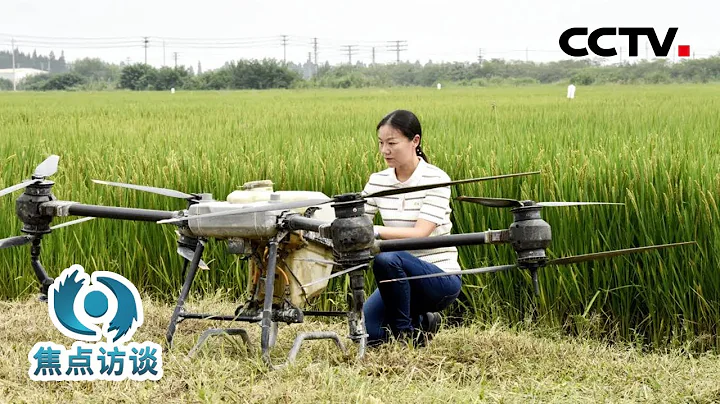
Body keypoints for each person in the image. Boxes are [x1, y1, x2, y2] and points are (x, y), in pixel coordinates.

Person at [362, 109, 462, 346]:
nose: (385, 150)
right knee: (371, 336)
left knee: (387, 258)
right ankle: (422, 324)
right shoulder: (378, 181)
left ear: (415, 141)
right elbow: (358, 222)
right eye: (381, 143)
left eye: (392, 143)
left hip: (438, 277)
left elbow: (420, 233)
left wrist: (374, 231)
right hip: (397, 280)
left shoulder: (435, 179)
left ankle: (404, 335)